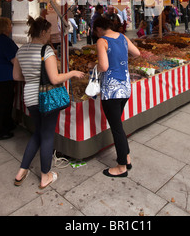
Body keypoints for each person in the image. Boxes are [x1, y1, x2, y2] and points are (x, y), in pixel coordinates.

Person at [13, 16, 84, 189]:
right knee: (46, 136)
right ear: (43, 32)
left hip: (29, 97)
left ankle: (22, 170)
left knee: (38, 133)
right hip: (46, 97)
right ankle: (45, 175)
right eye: (49, 32)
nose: (50, 36)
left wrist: (31, 78)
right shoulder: (46, 51)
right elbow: (54, 78)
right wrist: (73, 73)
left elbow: (16, 76)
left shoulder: (21, 50)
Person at [92, 17, 140, 178]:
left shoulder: (102, 41)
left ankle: (121, 167)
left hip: (111, 91)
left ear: (99, 29)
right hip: (125, 88)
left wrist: (93, 67)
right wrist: (121, 62)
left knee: (116, 128)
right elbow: (137, 53)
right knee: (118, 124)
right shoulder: (122, 37)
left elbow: (104, 66)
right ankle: (126, 157)